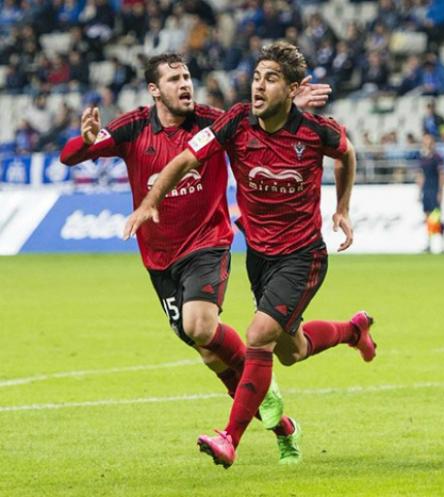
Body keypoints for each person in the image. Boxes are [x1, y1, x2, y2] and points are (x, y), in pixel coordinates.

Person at [60, 52, 332, 464]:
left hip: (208, 242)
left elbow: (261, 125)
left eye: (187, 76)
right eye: (173, 79)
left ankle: (252, 399)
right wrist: (85, 139)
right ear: (154, 90)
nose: (185, 84)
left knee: (200, 324)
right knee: (209, 351)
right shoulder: (133, 126)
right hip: (159, 259)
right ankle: (281, 425)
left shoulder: (211, 121)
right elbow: (70, 157)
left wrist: (290, 108)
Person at [124, 42, 377, 469]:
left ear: (293, 88)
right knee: (291, 350)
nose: (258, 86)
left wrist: (343, 208)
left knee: (258, 335)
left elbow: (346, 153)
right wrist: (151, 200)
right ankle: (354, 331)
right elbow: (185, 158)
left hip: (302, 256)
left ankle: (230, 438)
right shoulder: (237, 122)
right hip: (259, 256)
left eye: (270, 79)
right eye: (257, 78)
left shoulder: (317, 131)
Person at [417, 133, 444, 253]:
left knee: (436, 218)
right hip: (426, 190)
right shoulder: (423, 157)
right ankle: (429, 244)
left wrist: (441, 191)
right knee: (427, 218)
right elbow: (421, 175)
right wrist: (419, 191)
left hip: (434, 189)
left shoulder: (437, 157)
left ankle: (442, 244)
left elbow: (442, 175)